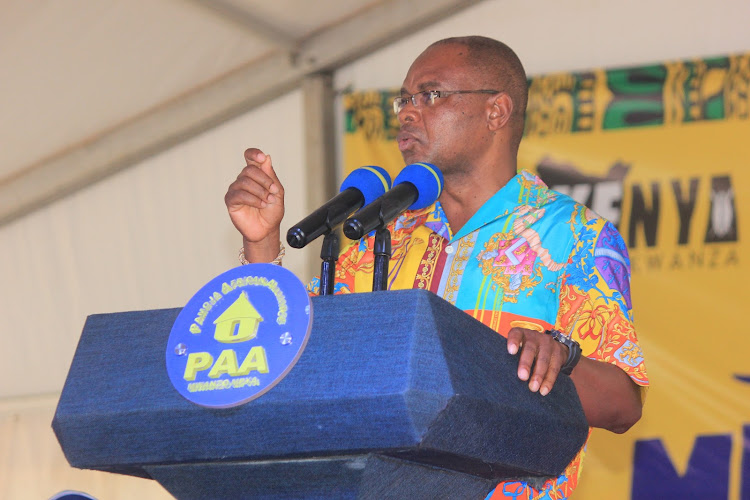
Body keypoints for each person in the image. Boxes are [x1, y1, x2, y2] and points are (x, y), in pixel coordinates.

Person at [225, 35, 648, 499]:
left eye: (430, 95)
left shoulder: (574, 236)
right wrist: (262, 242)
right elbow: (295, 351)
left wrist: (559, 362)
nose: (407, 113)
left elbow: (623, 404)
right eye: (403, 99)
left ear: (497, 112)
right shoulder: (380, 236)